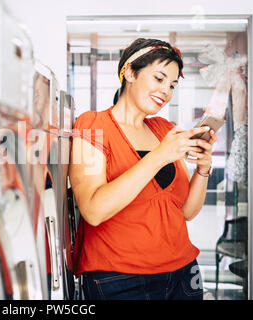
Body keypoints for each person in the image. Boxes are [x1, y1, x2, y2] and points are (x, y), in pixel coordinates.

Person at [69, 38, 218, 300]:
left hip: (183, 272)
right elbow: (93, 210)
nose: (167, 91)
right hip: (120, 278)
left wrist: (203, 169)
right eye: (159, 78)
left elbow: (186, 212)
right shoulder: (92, 125)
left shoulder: (163, 129)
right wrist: (159, 156)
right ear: (129, 72)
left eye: (172, 85)